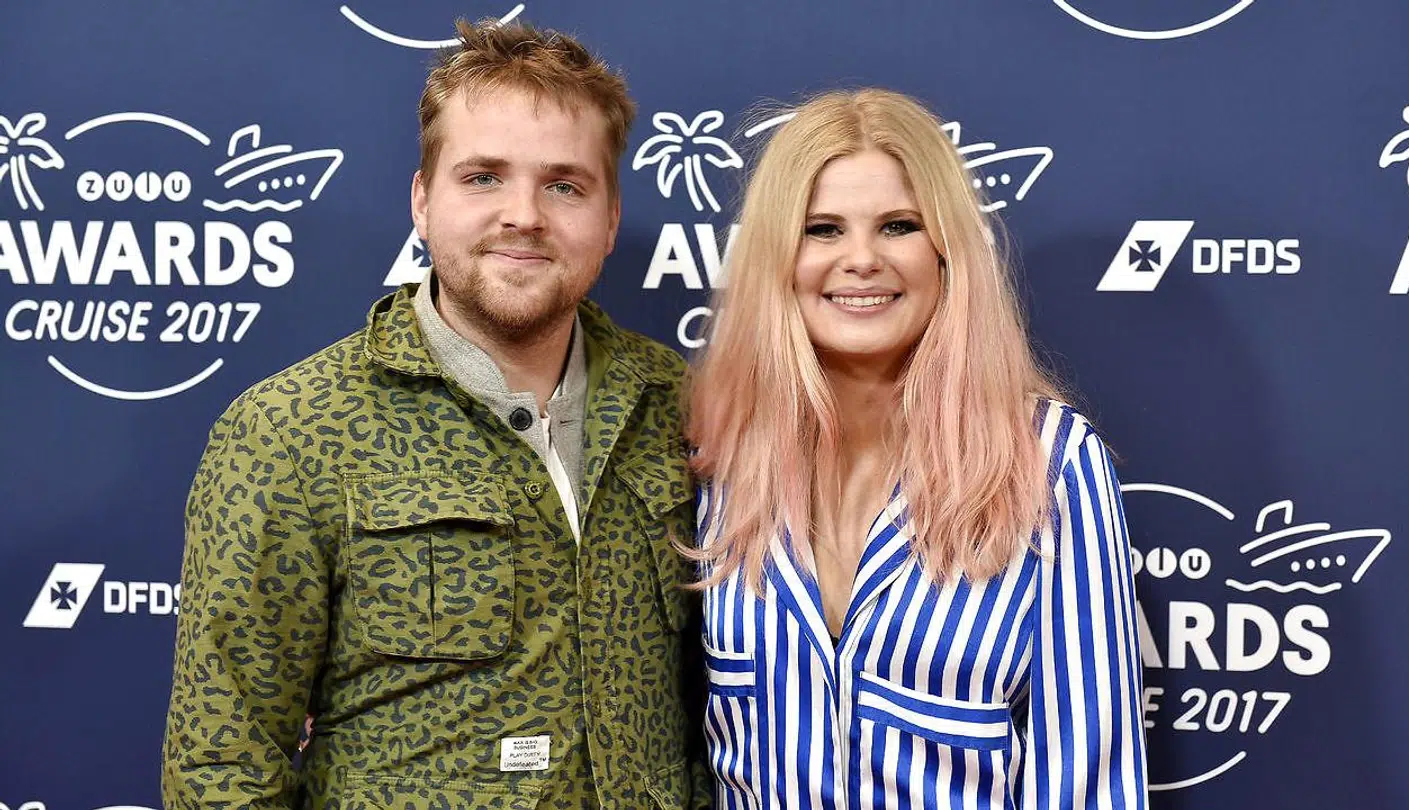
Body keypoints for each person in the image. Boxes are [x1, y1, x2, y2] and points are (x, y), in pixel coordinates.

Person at [162, 19, 708, 810]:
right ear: (423, 201)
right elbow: (223, 765)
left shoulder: (679, 405)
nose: (524, 213)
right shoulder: (289, 431)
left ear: (612, 217)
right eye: (483, 176)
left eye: (565, 184)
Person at [686, 89, 1148, 809]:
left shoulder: (1049, 460)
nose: (861, 259)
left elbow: (1091, 776)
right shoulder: (718, 459)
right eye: (823, 229)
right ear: (777, 257)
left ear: (946, 254)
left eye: (898, 226)